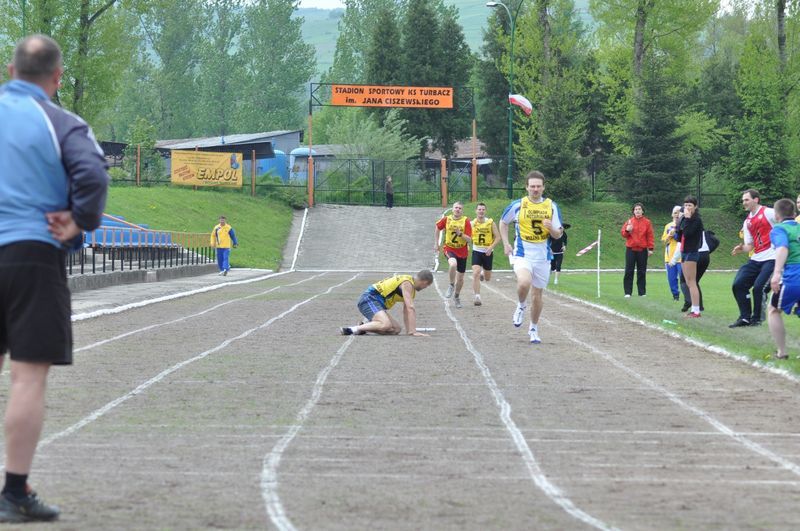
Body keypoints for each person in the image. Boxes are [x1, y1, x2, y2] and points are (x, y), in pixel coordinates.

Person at [0, 34, 109, 522]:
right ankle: (13, 493)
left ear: (10, 71)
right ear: (57, 77)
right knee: (27, 377)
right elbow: (94, 175)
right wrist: (80, 220)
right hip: (31, 253)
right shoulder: (63, 122)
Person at [499, 171, 563, 344]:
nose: (535, 189)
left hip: (543, 256)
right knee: (524, 282)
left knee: (537, 295)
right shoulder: (518, 205)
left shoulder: (551, 206)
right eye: (532, 186)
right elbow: (503, 222)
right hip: (523, 253)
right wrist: (505, 243)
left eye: (538, 186)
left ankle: (533, 328)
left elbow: (558, 234)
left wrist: (551, 228)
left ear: (543, 187)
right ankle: (521, 305)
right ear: (526, 187)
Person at [729, 189, 776, 327]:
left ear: (756, 200)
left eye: (747, 199)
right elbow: (750, 246)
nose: (744, 202)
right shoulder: (747, 221)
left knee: (759, 288)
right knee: (738, 284)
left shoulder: (769, 212)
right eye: (743, 200)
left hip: (773, 257)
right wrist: (741, 249)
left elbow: (786, 222)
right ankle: (745, 318)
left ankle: (757, 319)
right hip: (756, 258)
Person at [340, 270, 433, 336]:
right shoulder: (407, 283)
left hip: (377, 303)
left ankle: (363, 327)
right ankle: (351, 329)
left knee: (396, 329)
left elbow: (406, 311)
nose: (425, 288)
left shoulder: (410, 286)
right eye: (427, 285)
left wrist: (410, 331)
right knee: (386, 324)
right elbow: (410, 307)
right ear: (424, 282)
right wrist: (414, 332)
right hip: (369, 299)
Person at [767, 198, 800, 360]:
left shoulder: (779, 229)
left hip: (793, 275)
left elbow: (782, 248)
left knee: (773, 310)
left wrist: (777, 273)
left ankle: (782, 352)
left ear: (776, 215)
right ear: (794, 213)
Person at [434, 201, 472, 308]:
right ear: (452, 209)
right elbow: (437, 228)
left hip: (462, 251)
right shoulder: (447, 219)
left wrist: (461, 234)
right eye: (456, 207)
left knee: (460, 279)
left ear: (462, 210)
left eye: (460, 208)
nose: (457, 209)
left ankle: (456, 297)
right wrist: (436, 243)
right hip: (449, 248)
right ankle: (451, 285)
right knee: (453, 264)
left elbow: (469, 239)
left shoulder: (466, 221)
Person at [674, 196, 704, 318]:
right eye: (685, 205)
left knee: (692, 282)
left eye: (690, 205)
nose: (687, 208)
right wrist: (680, 221)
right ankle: (694, 309)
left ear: (695, 207)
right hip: (684, 251)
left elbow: (688, 233)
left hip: (691, 251)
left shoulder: (696, 220)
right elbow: (679, 234)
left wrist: (687, 219)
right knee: (687, 281)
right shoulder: (684, 218)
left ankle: (696, 310)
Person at [620, 203, 655, 297]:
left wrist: (650, 248)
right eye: (636, 209)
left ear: (642, 211)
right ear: (633, 211)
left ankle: (642, 292)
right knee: (629, 271)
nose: (637, 211)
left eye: (639, 209)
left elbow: (650, 236)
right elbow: (623, 234)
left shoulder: (647, 222)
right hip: (630, 249)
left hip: (642, 250)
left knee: (642, 271)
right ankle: (628, 292)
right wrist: (627, 230)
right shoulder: (629, 221)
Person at [470, 203, 500, 306]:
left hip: (488, 252)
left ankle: (483, 273)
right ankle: (477, 296)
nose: (481, 211)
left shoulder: (490, 223)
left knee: (487, 278)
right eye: (479, 209)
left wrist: (491, 247)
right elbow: (468, 236)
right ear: (476, 211)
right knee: (475, 273)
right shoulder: (472, 223)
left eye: (483, 209)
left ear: (485, 211)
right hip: (476, 251)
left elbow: (498, 237)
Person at [676, 230, 712, 312]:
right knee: (694, 282)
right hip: (705, 255)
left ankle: (689, 301)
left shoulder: (686, 225)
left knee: (685, 280)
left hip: (693, 254)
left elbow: (681, 243)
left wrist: (674, 259)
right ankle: (699, 306)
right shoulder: (699, 225)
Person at [662, 206, 682, 301]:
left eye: (679, 212)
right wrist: (670, 235)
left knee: (684, 278)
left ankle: (688, 297)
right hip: (670, 256)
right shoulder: (668, 226)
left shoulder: (684, 225)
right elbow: (664, 241)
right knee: (672, 279)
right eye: (675, 212)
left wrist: (676, 234)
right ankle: (675, 296)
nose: (677, 215)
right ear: (672, 214)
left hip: (682, 257)